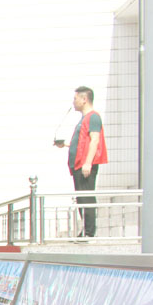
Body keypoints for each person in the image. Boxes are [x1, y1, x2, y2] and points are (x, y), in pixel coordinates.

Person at [56, 86, 107, 237]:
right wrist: (65, 145)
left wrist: (88, 162)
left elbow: (95, 140)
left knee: (86, 197)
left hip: (84, 166)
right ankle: (85, 229)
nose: (74, 101)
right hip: (77, 165)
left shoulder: (93, 117)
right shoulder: (84, 119)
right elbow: (82, 143)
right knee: (80, 198)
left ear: (84, 99)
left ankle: (89, 232)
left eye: (75, 98)